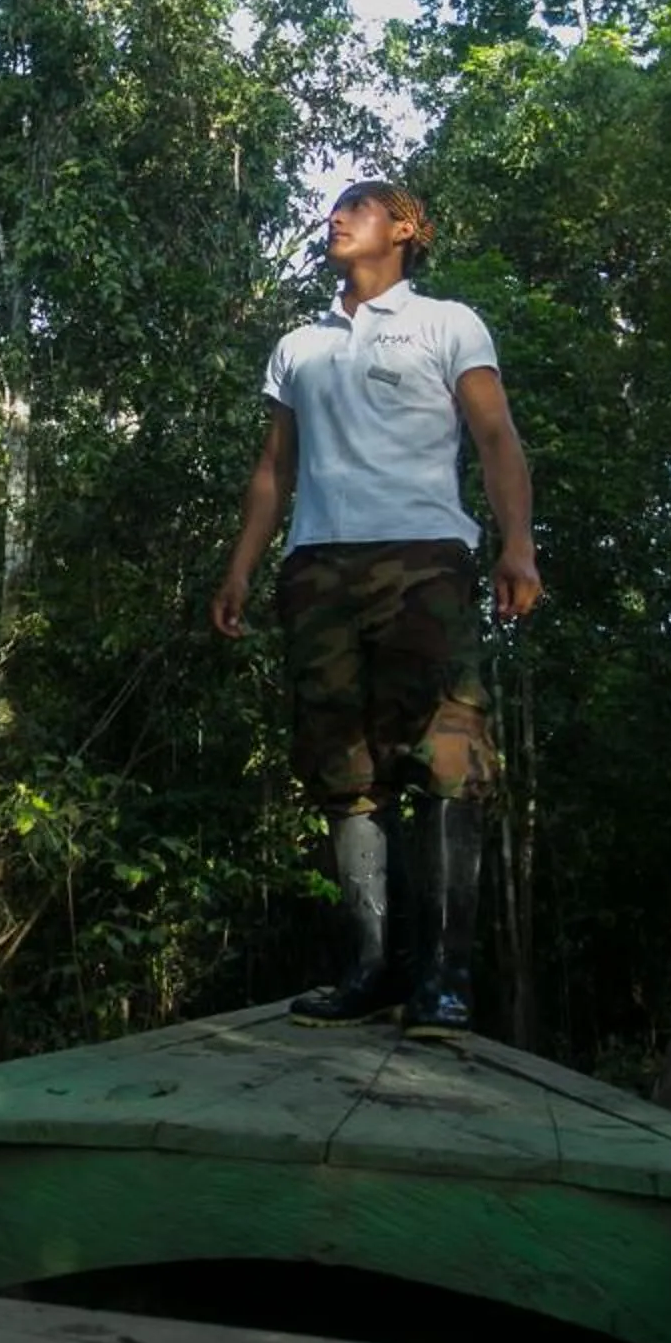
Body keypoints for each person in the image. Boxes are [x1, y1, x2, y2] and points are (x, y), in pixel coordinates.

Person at [210, 180, 540, 1039]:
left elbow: (495, 437)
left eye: (357, 208)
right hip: (316, 569)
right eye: (333, 209)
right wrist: (242, 569)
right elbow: (273, 469)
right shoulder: (299, 345)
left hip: (424, 559)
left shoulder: (447, 323)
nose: (336, 218)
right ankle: (371, 969)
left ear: (404, 229)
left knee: (447, 758)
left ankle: (444, 978)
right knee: (341, 768)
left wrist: (517, 546)